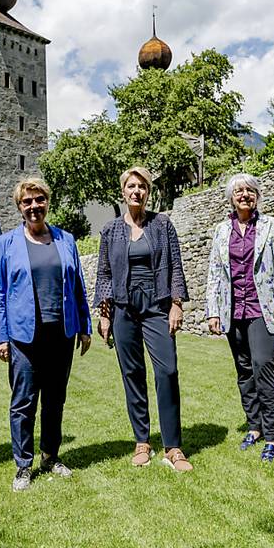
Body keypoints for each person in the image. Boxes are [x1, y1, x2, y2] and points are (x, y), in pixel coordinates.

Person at [0, 178, 92, 492]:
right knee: (23, 402)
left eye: (39, 200)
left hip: (60, 333)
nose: (34, 207)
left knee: (55, 400)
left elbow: (78, 287)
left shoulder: (66, 240)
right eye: (27, 202)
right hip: (23, 336)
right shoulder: (7, 244)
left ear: (48, 202)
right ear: (20, 207)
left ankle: (50, 455)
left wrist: (85, 327)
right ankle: (23, 465)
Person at [95, 166, 192, 471]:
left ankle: (173, 447)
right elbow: (104, 274)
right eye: (131, 186)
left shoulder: (162, 225)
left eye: (142, 187)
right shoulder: (111, 231)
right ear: (123, 192)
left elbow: (175, 264)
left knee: (168, 371)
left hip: (156, 306)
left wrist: (176, 304)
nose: (136, 191)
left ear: (148, 192)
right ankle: (142, 441)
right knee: (132, 374)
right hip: (124, 308)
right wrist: (105, 314)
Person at [206, 173, 274, 463]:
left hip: (264, 309)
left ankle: (273, 436)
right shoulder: (221, 231)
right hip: (234, 311)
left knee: (262, 366)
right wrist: (213, 311)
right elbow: (215, 273)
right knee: (244, 370)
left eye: (250, 190)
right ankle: (254, 426)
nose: (244, 195)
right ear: (231, 198)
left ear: (257, 195)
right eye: (238, 191)